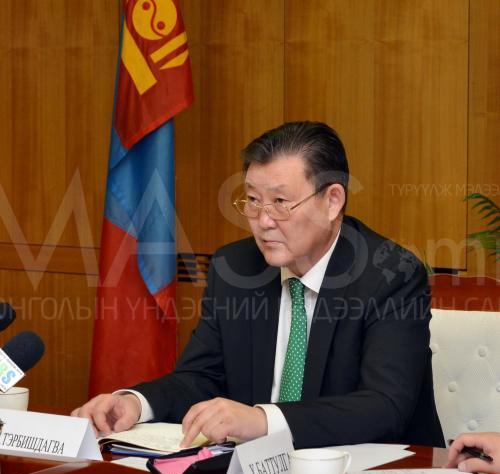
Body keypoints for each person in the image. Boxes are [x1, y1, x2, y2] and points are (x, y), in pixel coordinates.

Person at [73, 121, 444, 449]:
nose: (263, 221)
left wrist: (263, 421)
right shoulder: (234, 268)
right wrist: (136, 403)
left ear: (332, 201)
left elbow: (384, 405)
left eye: (280, 202)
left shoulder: (390, 274)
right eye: (252, 200)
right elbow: (201, 378)